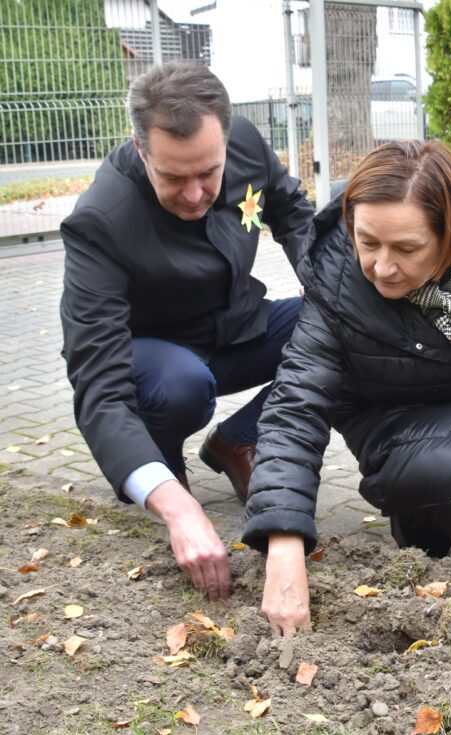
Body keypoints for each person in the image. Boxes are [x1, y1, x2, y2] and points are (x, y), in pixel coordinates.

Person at [242, 141, 451, 636]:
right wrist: (285, 545)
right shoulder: (332, 276)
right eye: (368, 242)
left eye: (406, 248)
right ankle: (426, 518)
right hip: (395, 424)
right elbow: (295, 405)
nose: (381, 267)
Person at [60, 61, 314, 600]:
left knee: (340, 328)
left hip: (238, 328)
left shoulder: (239, 140)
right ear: (139, 146)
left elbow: (292, 212)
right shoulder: (101, 221)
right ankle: (164, 472)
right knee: (182, 384)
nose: (197, 194)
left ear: (224, 136)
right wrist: (177, 508)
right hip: (157, 362)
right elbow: (99, 388)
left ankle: (240, 440)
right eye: (174, 178)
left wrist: (327, 284)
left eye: (210, 173)